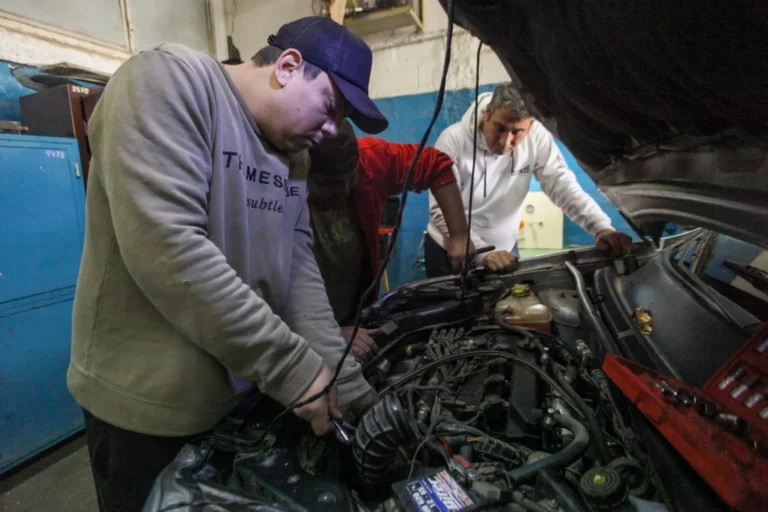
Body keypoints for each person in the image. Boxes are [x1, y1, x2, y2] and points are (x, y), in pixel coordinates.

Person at [67, 17, 384, 512]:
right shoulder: (167, 82)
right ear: (288, 65)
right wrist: (292, 368)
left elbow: (297, 267)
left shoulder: (292, 155)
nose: (330, 131)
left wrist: (343, 378)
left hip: (236, 401)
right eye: (329, 108)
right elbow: (169, 249)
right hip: (146, 411)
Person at [307, 120, 474, 362]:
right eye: (329, 184)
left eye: (350, 177)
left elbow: (435, 164)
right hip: (301, 328)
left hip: (355, 317)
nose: (344, 189)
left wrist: (459, 234)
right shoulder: (275, 187)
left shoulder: (370, 160)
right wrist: (324, 331)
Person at [425, 83, 633, 277]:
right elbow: (439, 209)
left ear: (531, 125)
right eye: (500, 128)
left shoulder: (538, 137)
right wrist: (482, 253)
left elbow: (561, 184)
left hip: (505, 251)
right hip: (454, 251)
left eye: (517, 132)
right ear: (487, 113)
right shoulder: (452, 141)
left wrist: (600, 226)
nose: (506, 141)